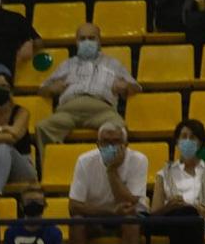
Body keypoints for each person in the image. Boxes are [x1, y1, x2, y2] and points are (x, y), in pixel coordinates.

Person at [35, 23, 139, 154]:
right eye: (82, 39)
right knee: (43, 127)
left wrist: (125, 86)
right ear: (76, 42)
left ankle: (109, 169)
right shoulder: (67, 64)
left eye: (91, 38)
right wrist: (52, 88)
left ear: (99, 41)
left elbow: (136, 87)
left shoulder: (113, 63)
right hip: (68, 112)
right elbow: (42, 89)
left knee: (118, 129)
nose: (87, 42)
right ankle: (54, 167)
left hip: (102, 111)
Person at [65, 120, 148, 244]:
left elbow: (128, 204)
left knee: (131, 222)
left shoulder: (139, 160)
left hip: (129, 216)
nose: (110, 146)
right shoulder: (84, 161)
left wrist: (111, 170)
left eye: (115, 141)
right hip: (96, 216)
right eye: (105, 142)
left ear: (125, 145)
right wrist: (110, 211)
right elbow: (74, 206)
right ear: (98, 145)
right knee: (76, 222)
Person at [148, 117, 205, 244]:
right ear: (177, 142)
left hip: (201, 223)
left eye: (192, 137)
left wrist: (200, 210)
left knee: (189, 215)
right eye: (183, 136)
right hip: (170, 221)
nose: (187, 140)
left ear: (201, 143)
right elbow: (154, 213)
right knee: (181, 216)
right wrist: (169, 207)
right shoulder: (163, 173)